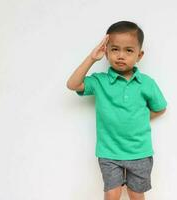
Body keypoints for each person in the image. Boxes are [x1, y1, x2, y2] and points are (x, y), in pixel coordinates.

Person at [67, 21, 168, 200]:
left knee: (136, 195)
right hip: (109, 153)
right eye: (115, 49)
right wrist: (92, 58)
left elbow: (160, 108)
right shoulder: (100, 81)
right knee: (111, 195)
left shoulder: (147, 83)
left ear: (139, 55)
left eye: (129, 50)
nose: (121, 55)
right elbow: (72, 84)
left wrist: (139, 118)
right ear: (106, 51)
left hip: (139, 152)